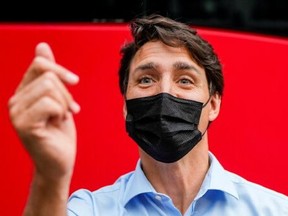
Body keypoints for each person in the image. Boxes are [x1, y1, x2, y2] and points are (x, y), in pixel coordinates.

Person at [8, 14, 288, 216]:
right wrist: (50, 174)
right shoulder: (89, 209)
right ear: (126, 106)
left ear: (213, 105)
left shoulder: (275, 209)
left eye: (185, 80)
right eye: (145, 80)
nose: (164, 92)